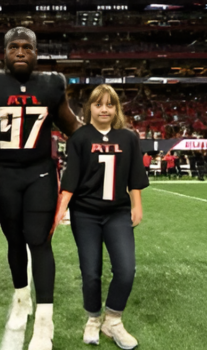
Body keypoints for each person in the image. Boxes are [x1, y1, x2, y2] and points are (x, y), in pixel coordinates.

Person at [0, 26, 82, 350]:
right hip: (5, 174)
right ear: (4, 52)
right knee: (14, 241)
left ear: (37, 52)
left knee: (39, 242)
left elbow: (73, 128)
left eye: (27, 46)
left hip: (40, 173)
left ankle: (44, 320)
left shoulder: (52, 85)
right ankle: (21, 297)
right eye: (14, 47)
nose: (21, 52)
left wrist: (105, 143)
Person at [56, 85, 148, 349]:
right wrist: (62, 207)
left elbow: (134, 175)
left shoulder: (128, 137)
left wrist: (137, 205)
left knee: (126, 269)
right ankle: (93, 318)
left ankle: (114, 320)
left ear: (116, 108)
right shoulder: (79, 137)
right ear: (90, 108)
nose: (104, 109)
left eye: (109, 104)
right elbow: (71, 177)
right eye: (98, 104)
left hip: (117, 212)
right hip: (85, 213)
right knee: (91, 271)